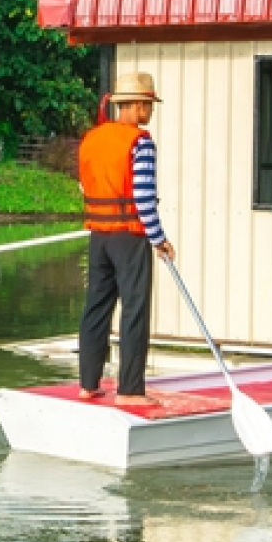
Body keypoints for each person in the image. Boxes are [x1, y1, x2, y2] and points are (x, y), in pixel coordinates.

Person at [77, 72, 175, 406]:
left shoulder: (91, 139)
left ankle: (87, 383)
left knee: (96, 307)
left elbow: (83, 186)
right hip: (129, 237)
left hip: (99, 235)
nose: (150, 112)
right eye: (147, 105)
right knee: (134, 311)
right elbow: (144, 198)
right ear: (135, 106)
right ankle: (131, 391)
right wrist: (159, 239)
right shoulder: (140, 142)